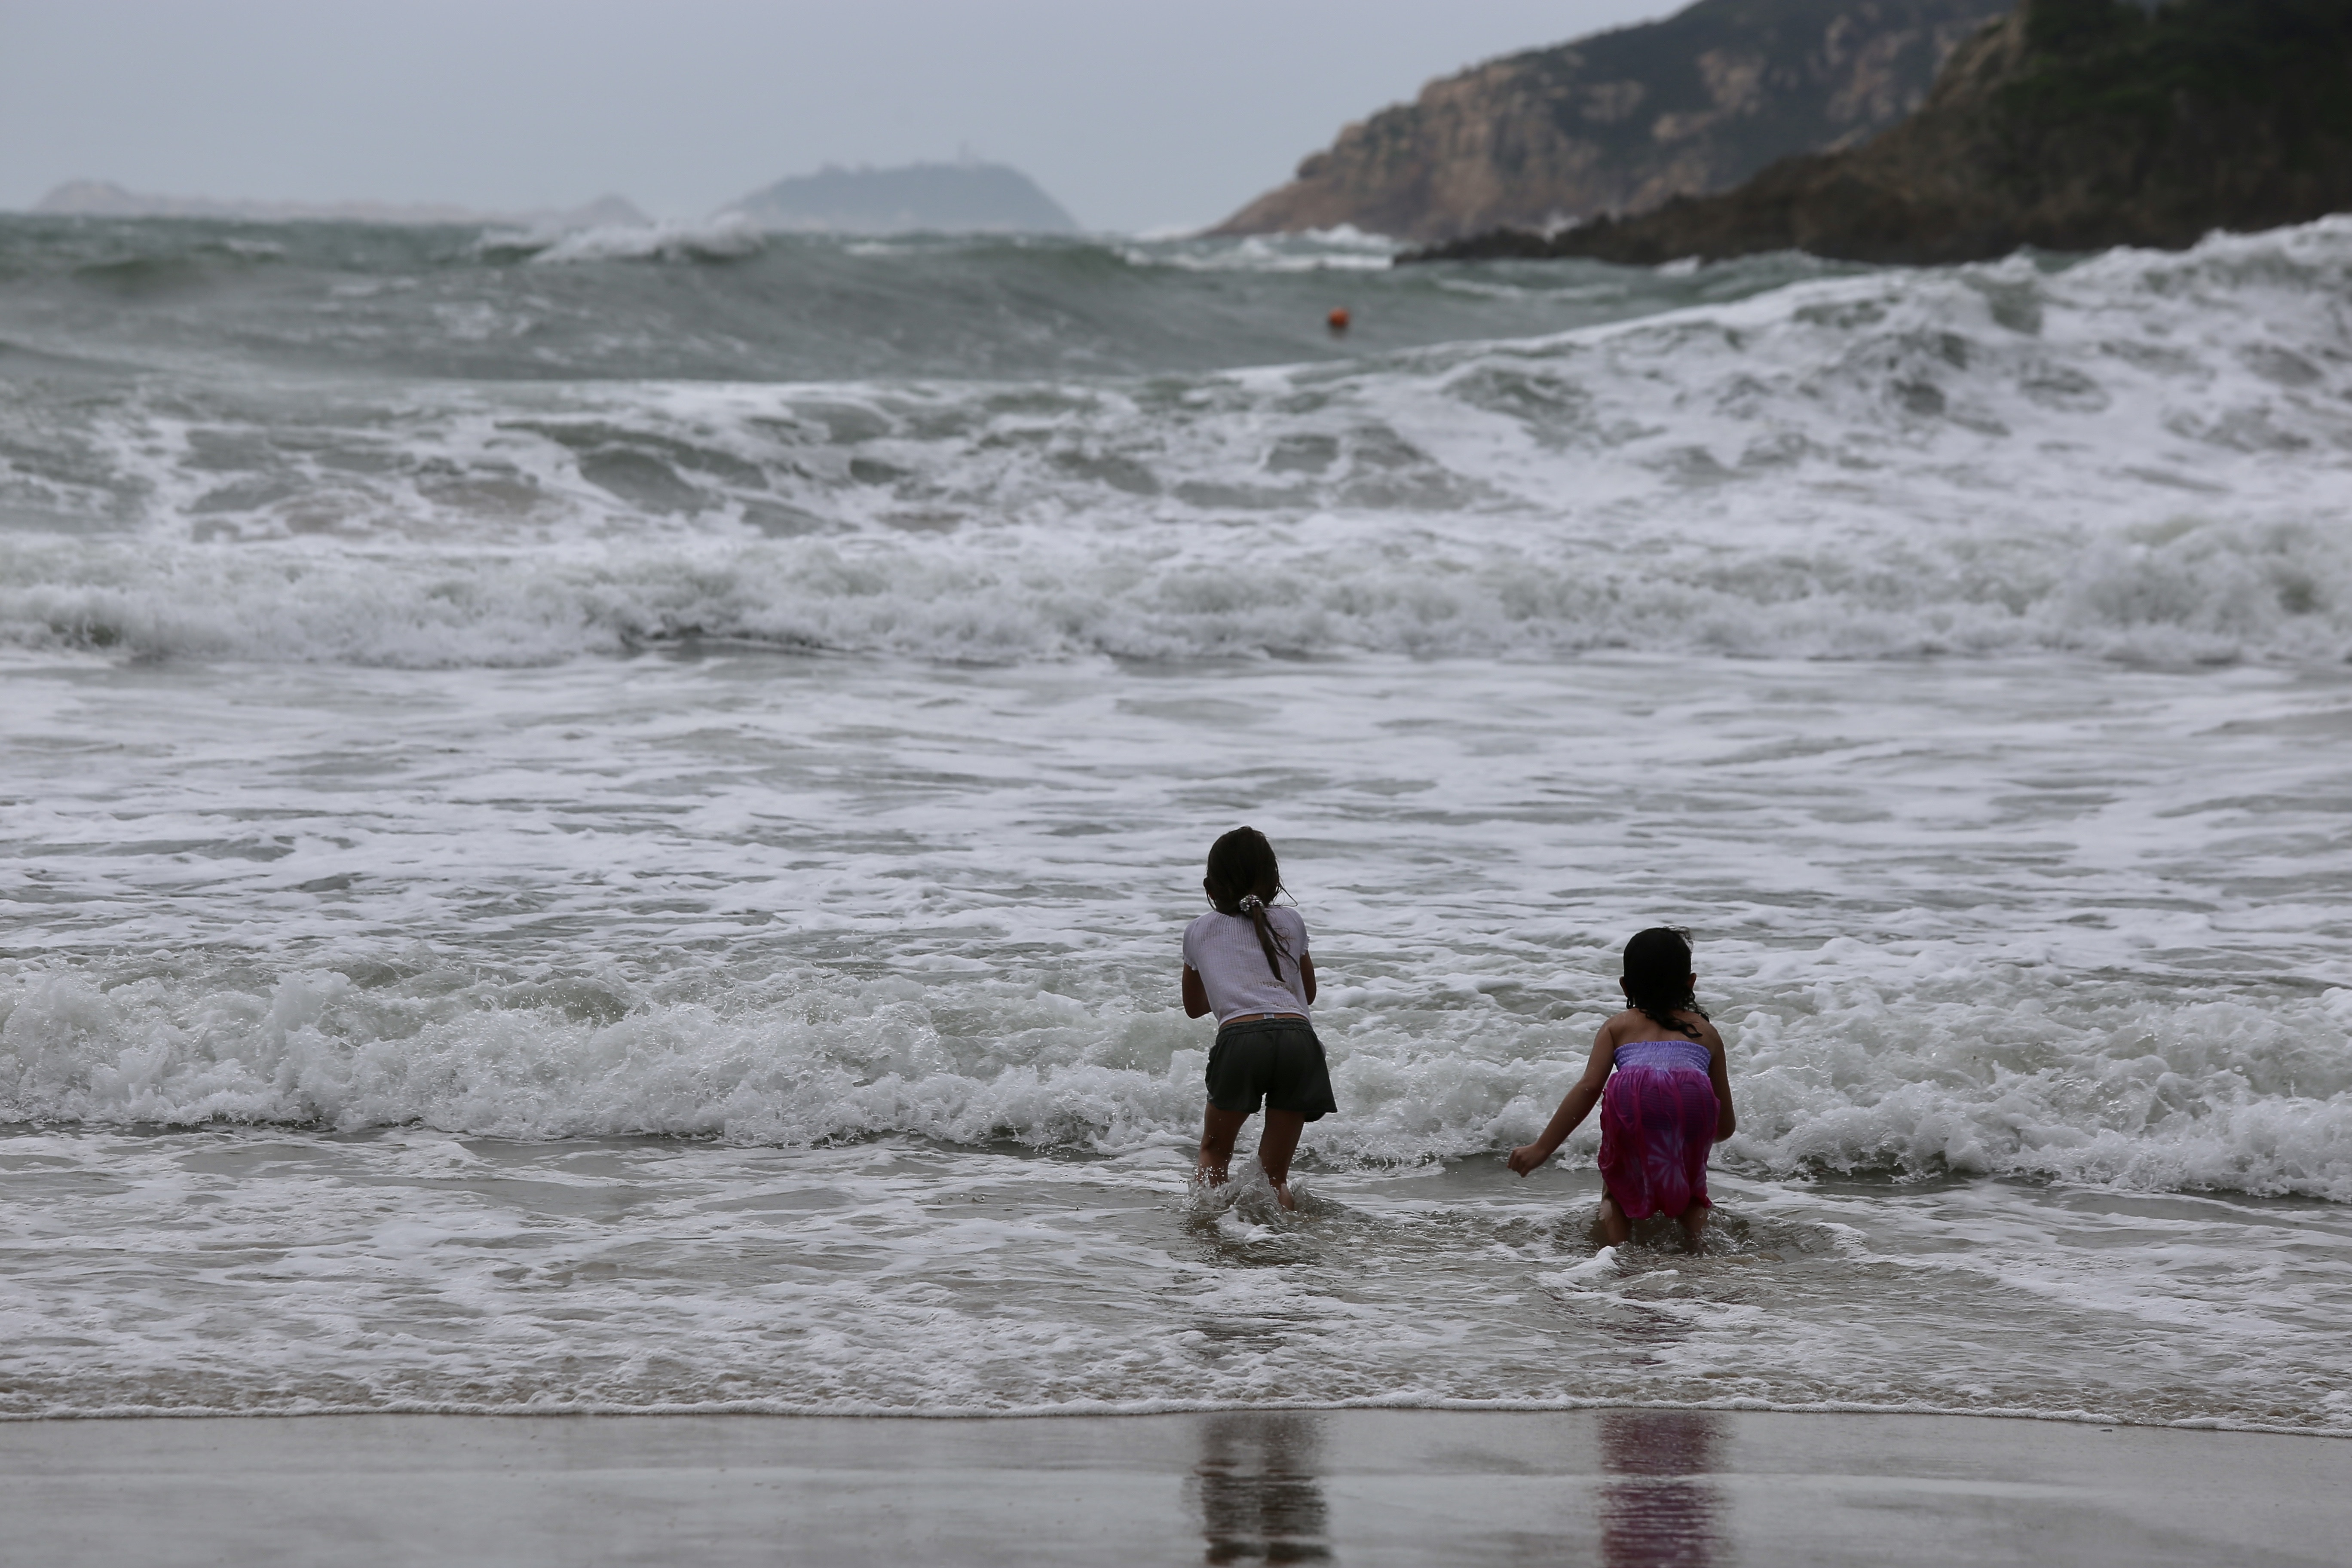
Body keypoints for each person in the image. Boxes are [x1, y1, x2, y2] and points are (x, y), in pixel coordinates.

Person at [1507, 927, 1734, 1251]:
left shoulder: (1618, 1026)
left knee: (1615, 1192)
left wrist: (1543, 1148)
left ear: (1625, 986)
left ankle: (1620, 1254)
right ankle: (1706, 1250)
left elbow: (1589, 1087)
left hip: (1634, 1096)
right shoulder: (1707, 1034)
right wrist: (1681, 1138)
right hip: (1693, 1097)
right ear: (1691, 983)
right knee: (1691, 1197)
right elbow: (1725, 1126)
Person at [1181, 827, 1336, 1210]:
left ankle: (1209, 1229)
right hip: (1299, 1040)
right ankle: (1280, 1248)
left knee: (1215, 1154)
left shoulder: (1199, 930)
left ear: (1210, 887)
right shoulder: (1292, 923)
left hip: (1241, 1040)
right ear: (1275, 883)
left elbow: (1195, 1006)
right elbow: (1308, 994)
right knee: (1275, 1176)